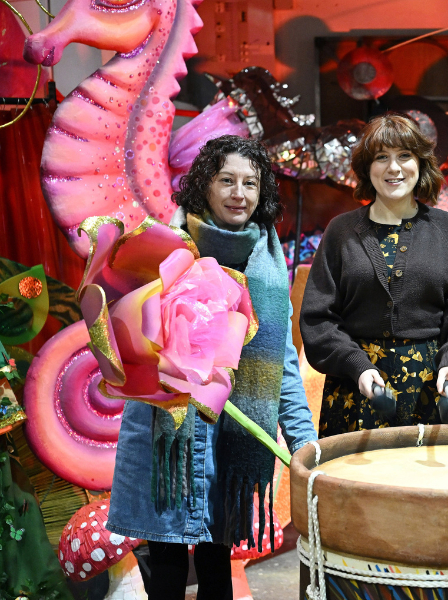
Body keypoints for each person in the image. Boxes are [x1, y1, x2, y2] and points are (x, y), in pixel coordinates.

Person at [107, 135, 317, 600]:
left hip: (230, 433)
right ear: (204, 186)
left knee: (216, 564)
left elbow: (280, 365)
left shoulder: (267, 267)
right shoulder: (162, 247)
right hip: (166, 431)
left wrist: (304, 441)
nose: (238, 193)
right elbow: (126, 339)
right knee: (163, 565)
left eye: (250, 183)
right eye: (226, 181)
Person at [300, 113, 448, 436]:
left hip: (434, 390)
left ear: (420, 163)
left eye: (404, 156)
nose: (394, 168)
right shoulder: (341, 231)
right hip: (357, 389)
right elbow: (318, 319)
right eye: (381, 158)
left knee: (433, 488)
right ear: (366, 169)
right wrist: (355, 366)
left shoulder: (447, 229)